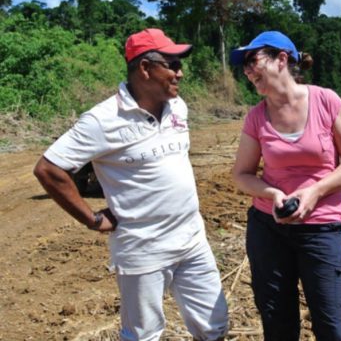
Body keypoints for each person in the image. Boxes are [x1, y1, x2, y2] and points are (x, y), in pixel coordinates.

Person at [34, 28, 228, 341]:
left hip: (193, 241)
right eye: (172, 64)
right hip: (143, 250)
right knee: (144, 335)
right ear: (145, 68)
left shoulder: (179, 107)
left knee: (214, 326)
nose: (181, 72)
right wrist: (92, 219)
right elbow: (48, 168)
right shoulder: (102, 120)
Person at [230, 31, 341, 341]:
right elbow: (242, 174)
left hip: (322, 228)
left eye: (253, 60)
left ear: (282, 59)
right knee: (278, 327)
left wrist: (315, 191)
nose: (248, 71)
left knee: (335, 330)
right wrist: (272, 193)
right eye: (245, 66)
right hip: (268, 229)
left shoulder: (326, 101)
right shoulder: (256, 117)